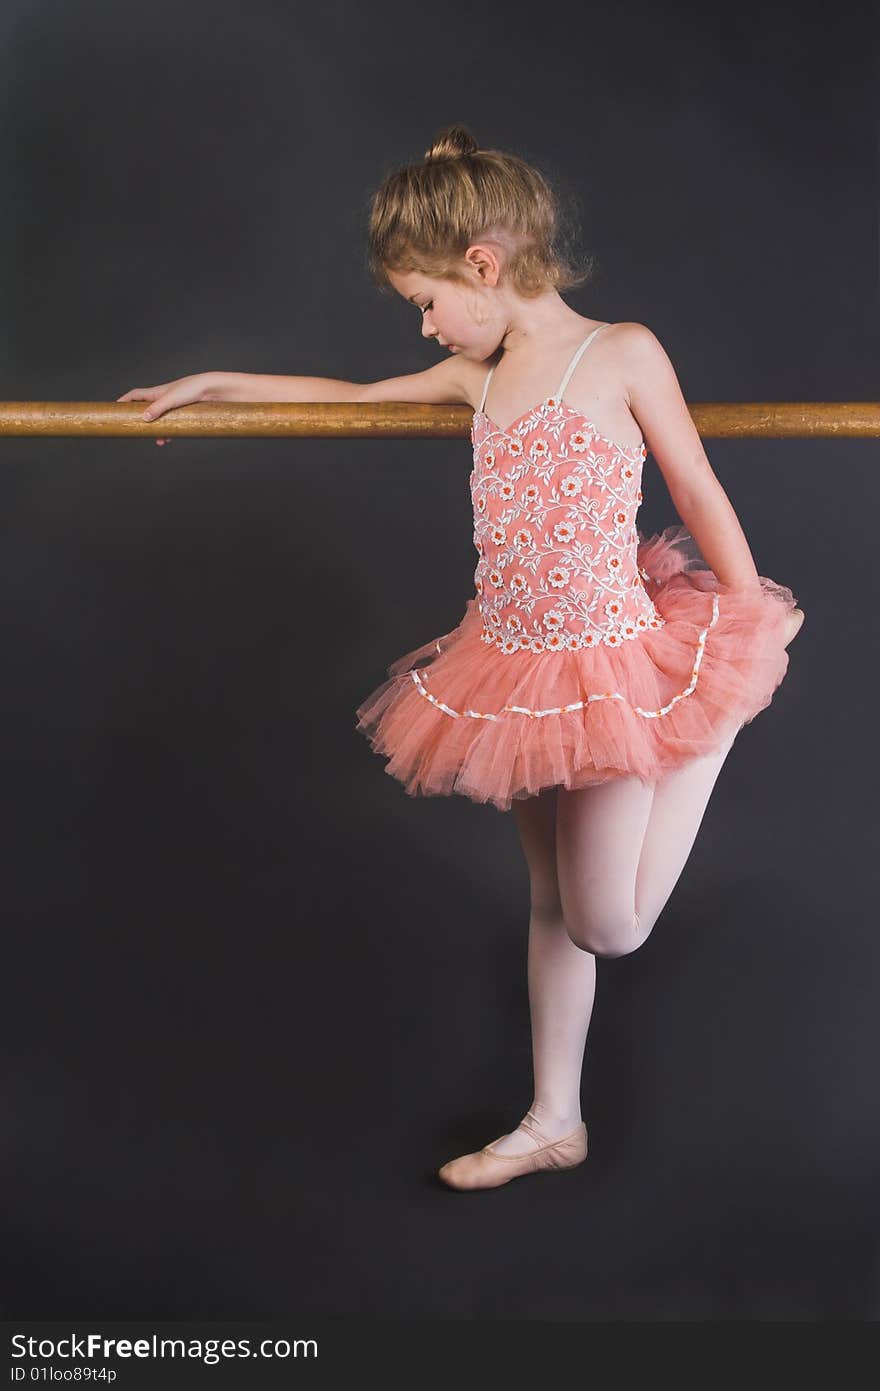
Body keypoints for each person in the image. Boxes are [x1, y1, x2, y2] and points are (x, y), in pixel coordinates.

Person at [117, 124, 804, 1192]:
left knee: (609, 925)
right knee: (547, 901)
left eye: (425, 300)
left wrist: (745, 620)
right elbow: (346, 398)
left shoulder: (619, 351)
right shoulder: (473, 376)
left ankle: (710, 727)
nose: (426, 323)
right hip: (513, 665)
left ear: (482, 266)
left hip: (613, 665)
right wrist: (214, 382)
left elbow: (696, 486)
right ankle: (551, 1117)